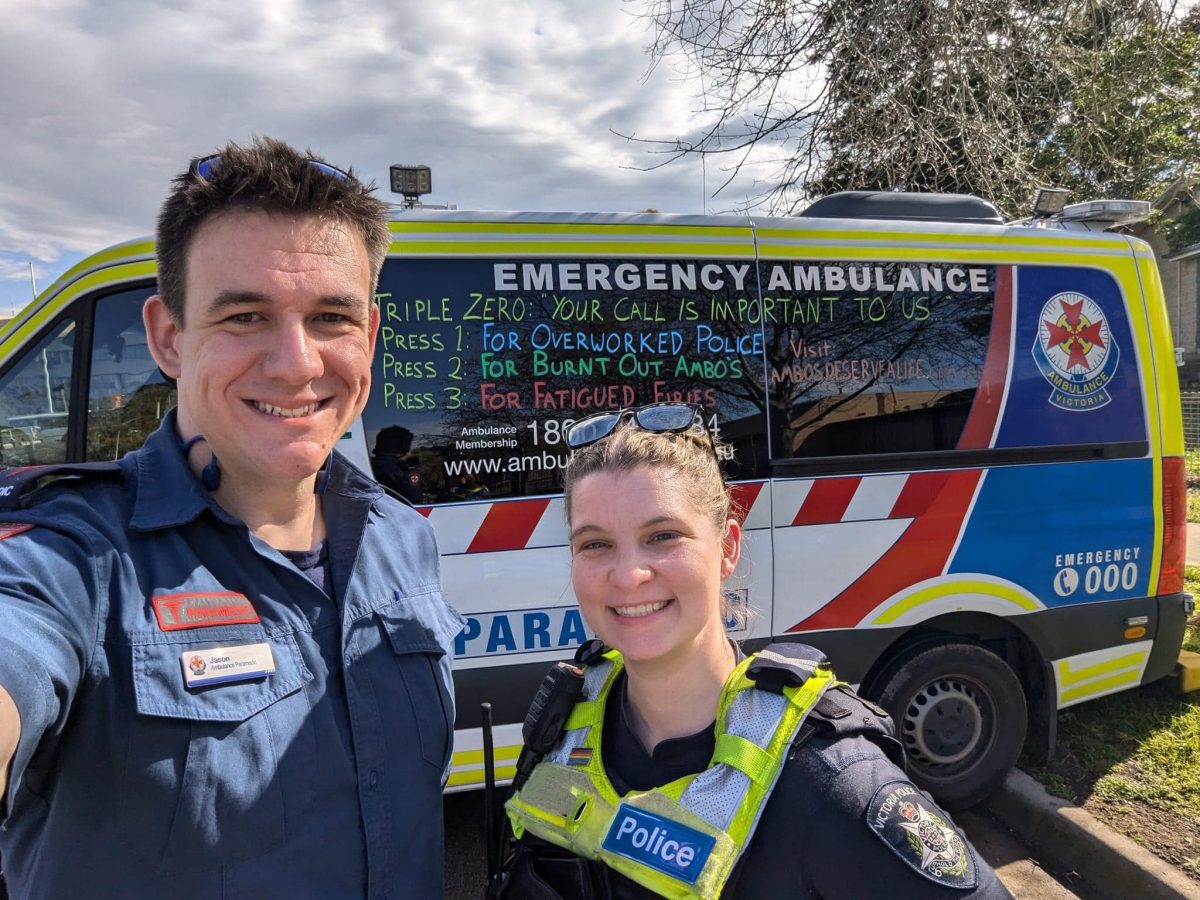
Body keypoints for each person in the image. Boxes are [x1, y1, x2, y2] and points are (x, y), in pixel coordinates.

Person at [0, 137, 462, 898]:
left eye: (330, 317)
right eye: (245, 315)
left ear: (371, 337)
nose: (296, 363)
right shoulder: (75, 558)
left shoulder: (400, 539)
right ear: (169, 337)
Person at [496, 402, 1011, 899]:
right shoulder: (565, 719)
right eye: (595, 544)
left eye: (662, 536)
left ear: (727, 550)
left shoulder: (831, 779)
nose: (629, 575)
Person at [371, 424, 427, 504]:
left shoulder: (373, 466)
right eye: (409, 447)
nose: (410, 453)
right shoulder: (396, 473)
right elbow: (415, 501)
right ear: (403, 449)